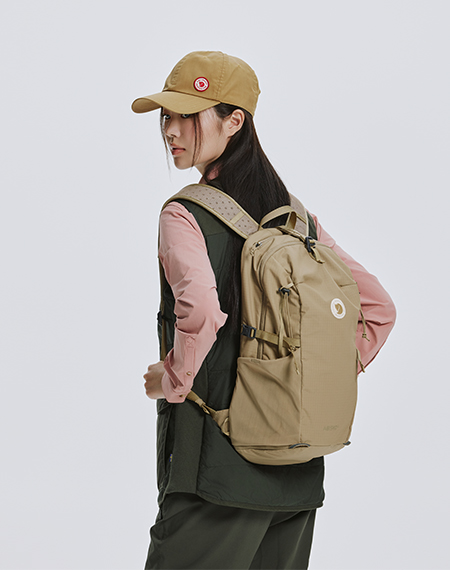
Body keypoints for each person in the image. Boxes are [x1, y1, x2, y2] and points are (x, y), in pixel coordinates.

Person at [132, 51, 396, 570]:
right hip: (297, 471)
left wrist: (172, 380)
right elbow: (377, 309)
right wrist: (310, 377)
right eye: (166, 115)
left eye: (187, 115)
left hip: (215, 475)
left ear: (234, 121)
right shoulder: (297, 218)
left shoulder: (184, 214)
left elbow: (202, 313)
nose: (171, 129)